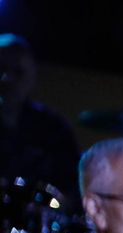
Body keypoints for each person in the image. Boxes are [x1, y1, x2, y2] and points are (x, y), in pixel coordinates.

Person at [0, 34, 80, 207]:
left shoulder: (54, 128)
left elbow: (72, 187)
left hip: (37, 224)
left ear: (32, 76)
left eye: (18, 72)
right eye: (2, 70)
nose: (8, 79)